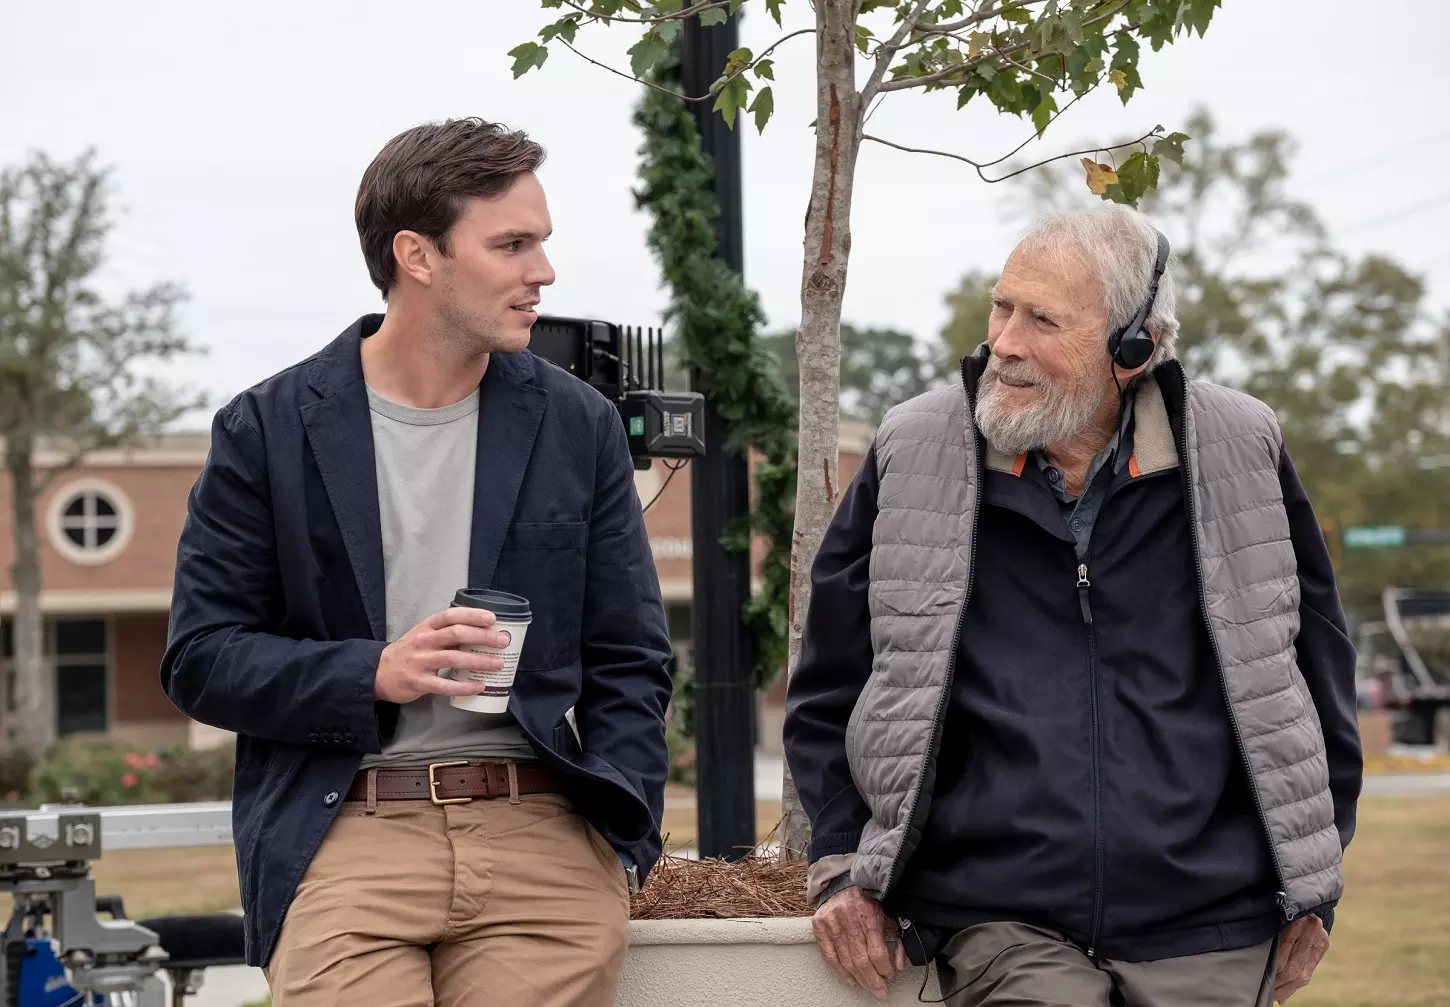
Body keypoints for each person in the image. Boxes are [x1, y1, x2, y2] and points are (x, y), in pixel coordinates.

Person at [782, 205, 1361, 1007]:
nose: (1005, 343)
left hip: (1210, 916)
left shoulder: (1241, 446)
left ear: (1134, 349)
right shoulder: (914, 449)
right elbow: (831, 681)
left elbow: (1313, 665)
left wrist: (1314, 879)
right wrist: (843, 861)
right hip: (998, 909)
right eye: (1003, 306)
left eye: (1043, 320)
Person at [162, 118, 673, 1007]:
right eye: (512, 244)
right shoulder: (268, 429)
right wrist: (376, 671)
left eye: (541, 243)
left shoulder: (577, 423)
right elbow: (201, 656)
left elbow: (631, 655)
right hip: (346, 829)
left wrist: (624, 836)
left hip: (539, 835)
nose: (542, 272)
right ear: (418, 255)